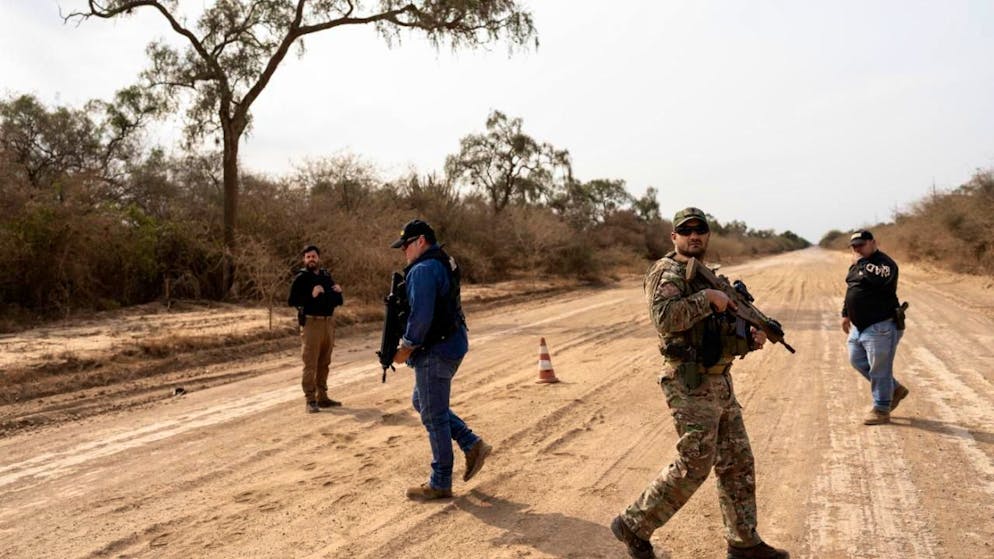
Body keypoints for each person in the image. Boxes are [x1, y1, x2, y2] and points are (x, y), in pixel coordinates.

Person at [612, 208, 789, 559]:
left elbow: (716, 333)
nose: (694, 236)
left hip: (719, 380)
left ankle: (743, 543)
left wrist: (748, 339)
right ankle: (634, 523)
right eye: (686, 231)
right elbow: (664, 319)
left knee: (737, 461)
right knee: (695, 463)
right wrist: (706, 300)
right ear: (673, 237)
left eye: (700, 231)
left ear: (707, 236)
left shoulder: (708, 276)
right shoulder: (668, 272)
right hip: (688, 382)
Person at [389, 219, 492, 501]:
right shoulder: (444, 260)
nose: (404, 253)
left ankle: (440, 482)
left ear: (420, 241)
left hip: (436, 350)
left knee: (433, 415)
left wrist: (405, 348)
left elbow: (421, 317)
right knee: (422, 402)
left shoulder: (422, 269)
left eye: (406, 246)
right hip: (452, 344)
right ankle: (472, 444)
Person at [841, 230, 908, 425]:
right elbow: (852, 288)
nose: (857, 249)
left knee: (880, 369)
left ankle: (881, 408)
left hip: (881, 325)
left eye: (861, 244)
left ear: (873, 243)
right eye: (854, 246)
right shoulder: (857, 265)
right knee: (856, 360)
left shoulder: (885, 264)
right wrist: (845, 314)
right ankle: (894, 388)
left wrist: (860, 263)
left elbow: (877, 279)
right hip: (859, 326)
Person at [287, 244, 344, 414]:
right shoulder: (302, 278)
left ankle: (323, 397)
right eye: (308, 257)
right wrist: (310, 295)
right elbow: (292, 300)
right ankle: (310, 400)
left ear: (318, 258)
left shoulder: (326, 276)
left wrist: (339, 292)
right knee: (310, 363)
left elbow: (337, 300)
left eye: (314, 256)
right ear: (304, 259)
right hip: (311, 323)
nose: (311, 259)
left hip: (328, 323)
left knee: (324, 362)